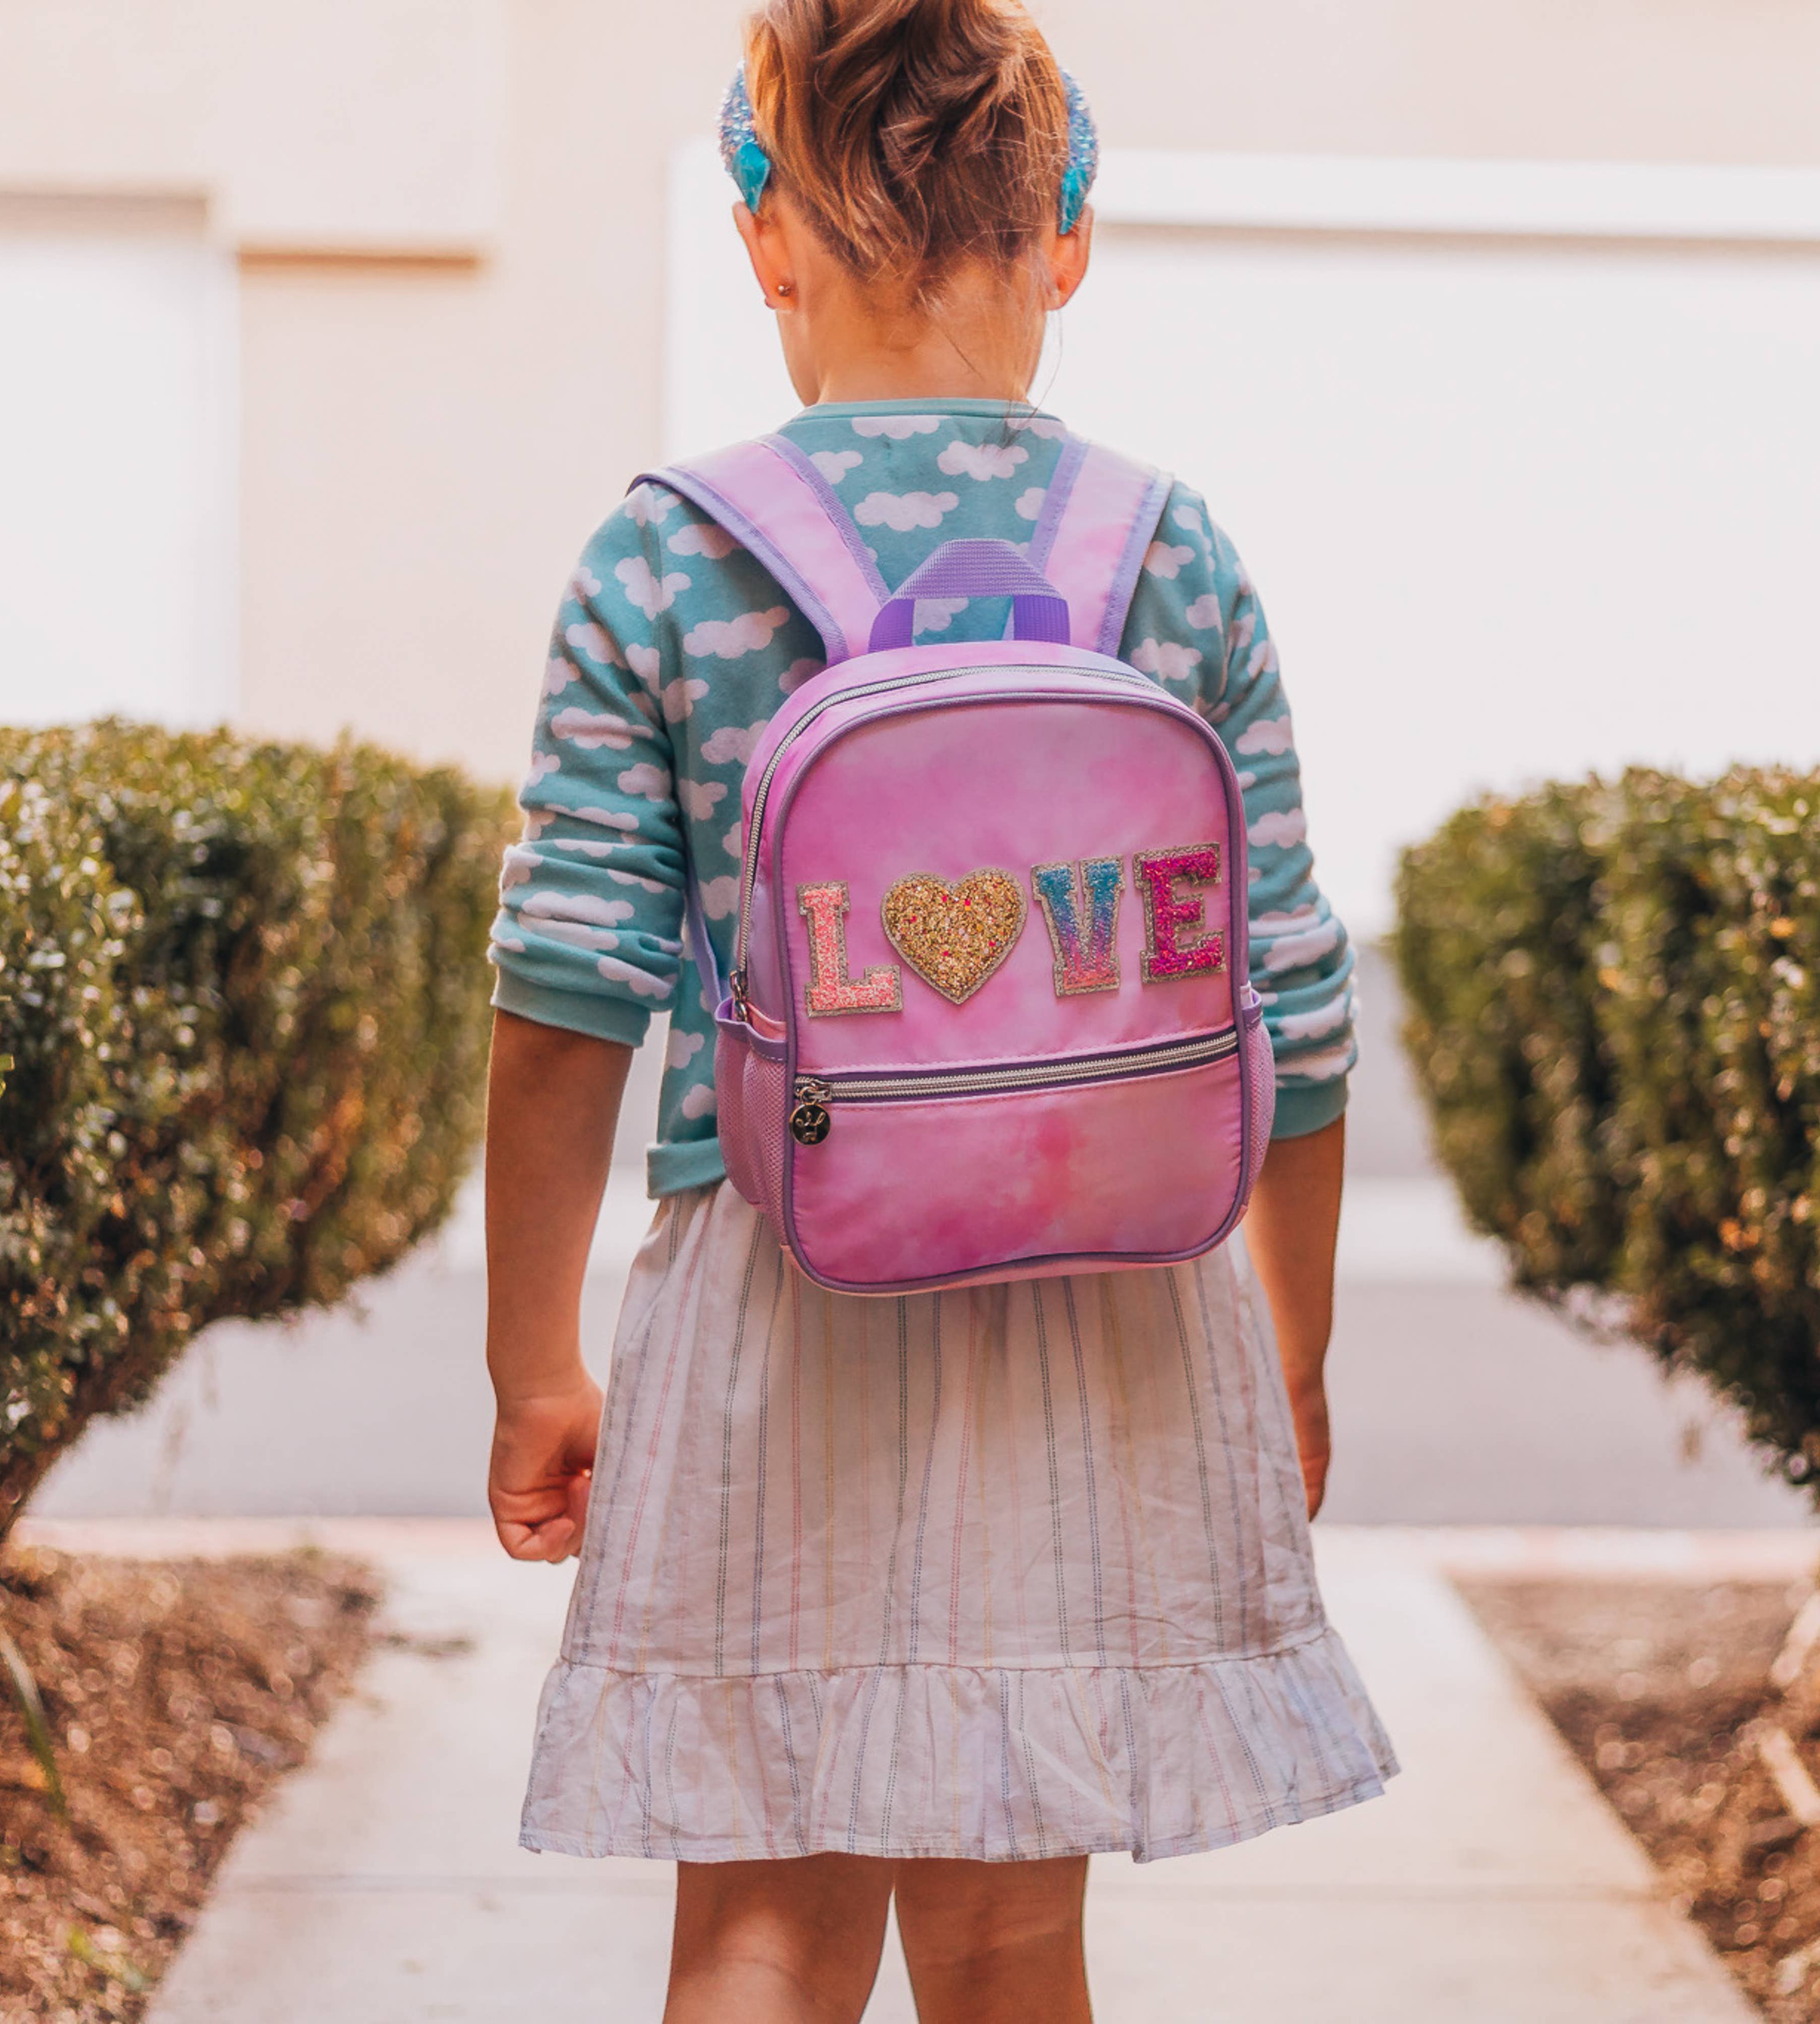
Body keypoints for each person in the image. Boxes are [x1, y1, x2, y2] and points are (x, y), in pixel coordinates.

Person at [483, 3, 1395, 2017]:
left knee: (758, 1917)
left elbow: (568, 980)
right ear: (1068, 235)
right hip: (1103, 1290)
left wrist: (529, 1352)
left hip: (779, 1269)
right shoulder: (1171, 562)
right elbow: (1295, 1001)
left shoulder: (663, 554)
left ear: (765, 238)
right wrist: (1295, 1344)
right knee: (1003, 1934)